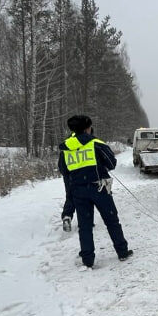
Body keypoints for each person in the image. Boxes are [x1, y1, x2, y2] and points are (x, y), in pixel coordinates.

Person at [58, 115, 133, 268]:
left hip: (78, 191)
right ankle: (122, 252)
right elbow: (112, 163)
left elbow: (63, 169)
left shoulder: (65, 148)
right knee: (112, 221)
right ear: (88, 128)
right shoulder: (96, 143)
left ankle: (87, 259)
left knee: (85, 226)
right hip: (99, 188)